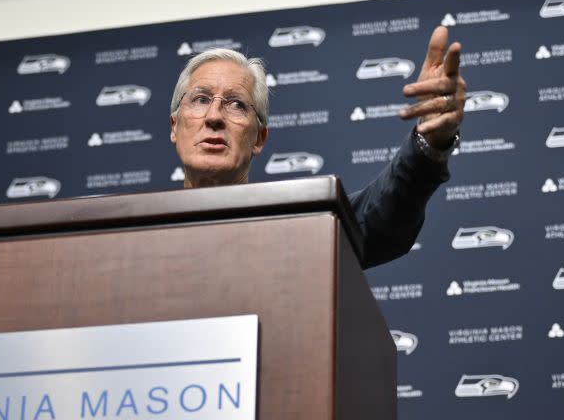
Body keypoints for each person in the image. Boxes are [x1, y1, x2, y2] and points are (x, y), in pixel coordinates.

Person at [170, 26, 466, 268]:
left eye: (236, 104)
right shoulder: (126, 237)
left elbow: (381, 213)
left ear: (259, 139)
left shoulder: (301, 233)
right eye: (200, 100)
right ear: (174, 127)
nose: (213, 117)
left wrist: (430, 140)